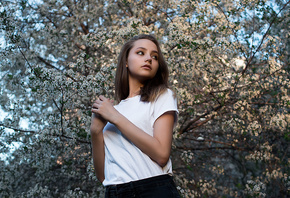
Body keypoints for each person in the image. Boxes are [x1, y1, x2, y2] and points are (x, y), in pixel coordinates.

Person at [90, 34, 180, 198]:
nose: (149, 59)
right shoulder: (113, 111)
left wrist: (115, 118)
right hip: (114, 192)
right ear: (125, 61)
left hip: (153, 189)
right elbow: (103, 176)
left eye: (154, 56)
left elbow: (161, 154)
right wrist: (95, 131)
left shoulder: (162, 96)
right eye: (141, 53)